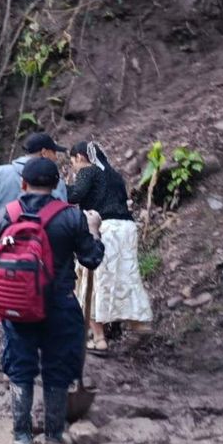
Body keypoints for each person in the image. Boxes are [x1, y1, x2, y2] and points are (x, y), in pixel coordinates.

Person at [0, 158, 104, 444]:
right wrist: (94, 230)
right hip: (59, 305)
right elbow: (91, 259)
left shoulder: (4, 215)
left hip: (18, 307)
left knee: (20, 368)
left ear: (23, 184)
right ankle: (54, 437)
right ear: (56, 185)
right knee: (57, 368)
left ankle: (22, 438)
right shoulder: (71, 216)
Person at [0, 132, 70, 369]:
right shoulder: (56, 182)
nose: (56, 158)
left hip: (2, 249)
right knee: (40, 302)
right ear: (44, 152)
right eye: (54, 153)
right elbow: (62, 218)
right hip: (40, 255)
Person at [67, 141, 152, 351]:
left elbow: (75, 195)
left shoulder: (88, 170)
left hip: (104, 228)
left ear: (79, 157)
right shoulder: (114, 175)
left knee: (92, 279)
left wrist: (55, 186)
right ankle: (139, 323)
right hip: (127, 228)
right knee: (125, 276)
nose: (74, 168)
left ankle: (99, 339)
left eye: (72, 163)